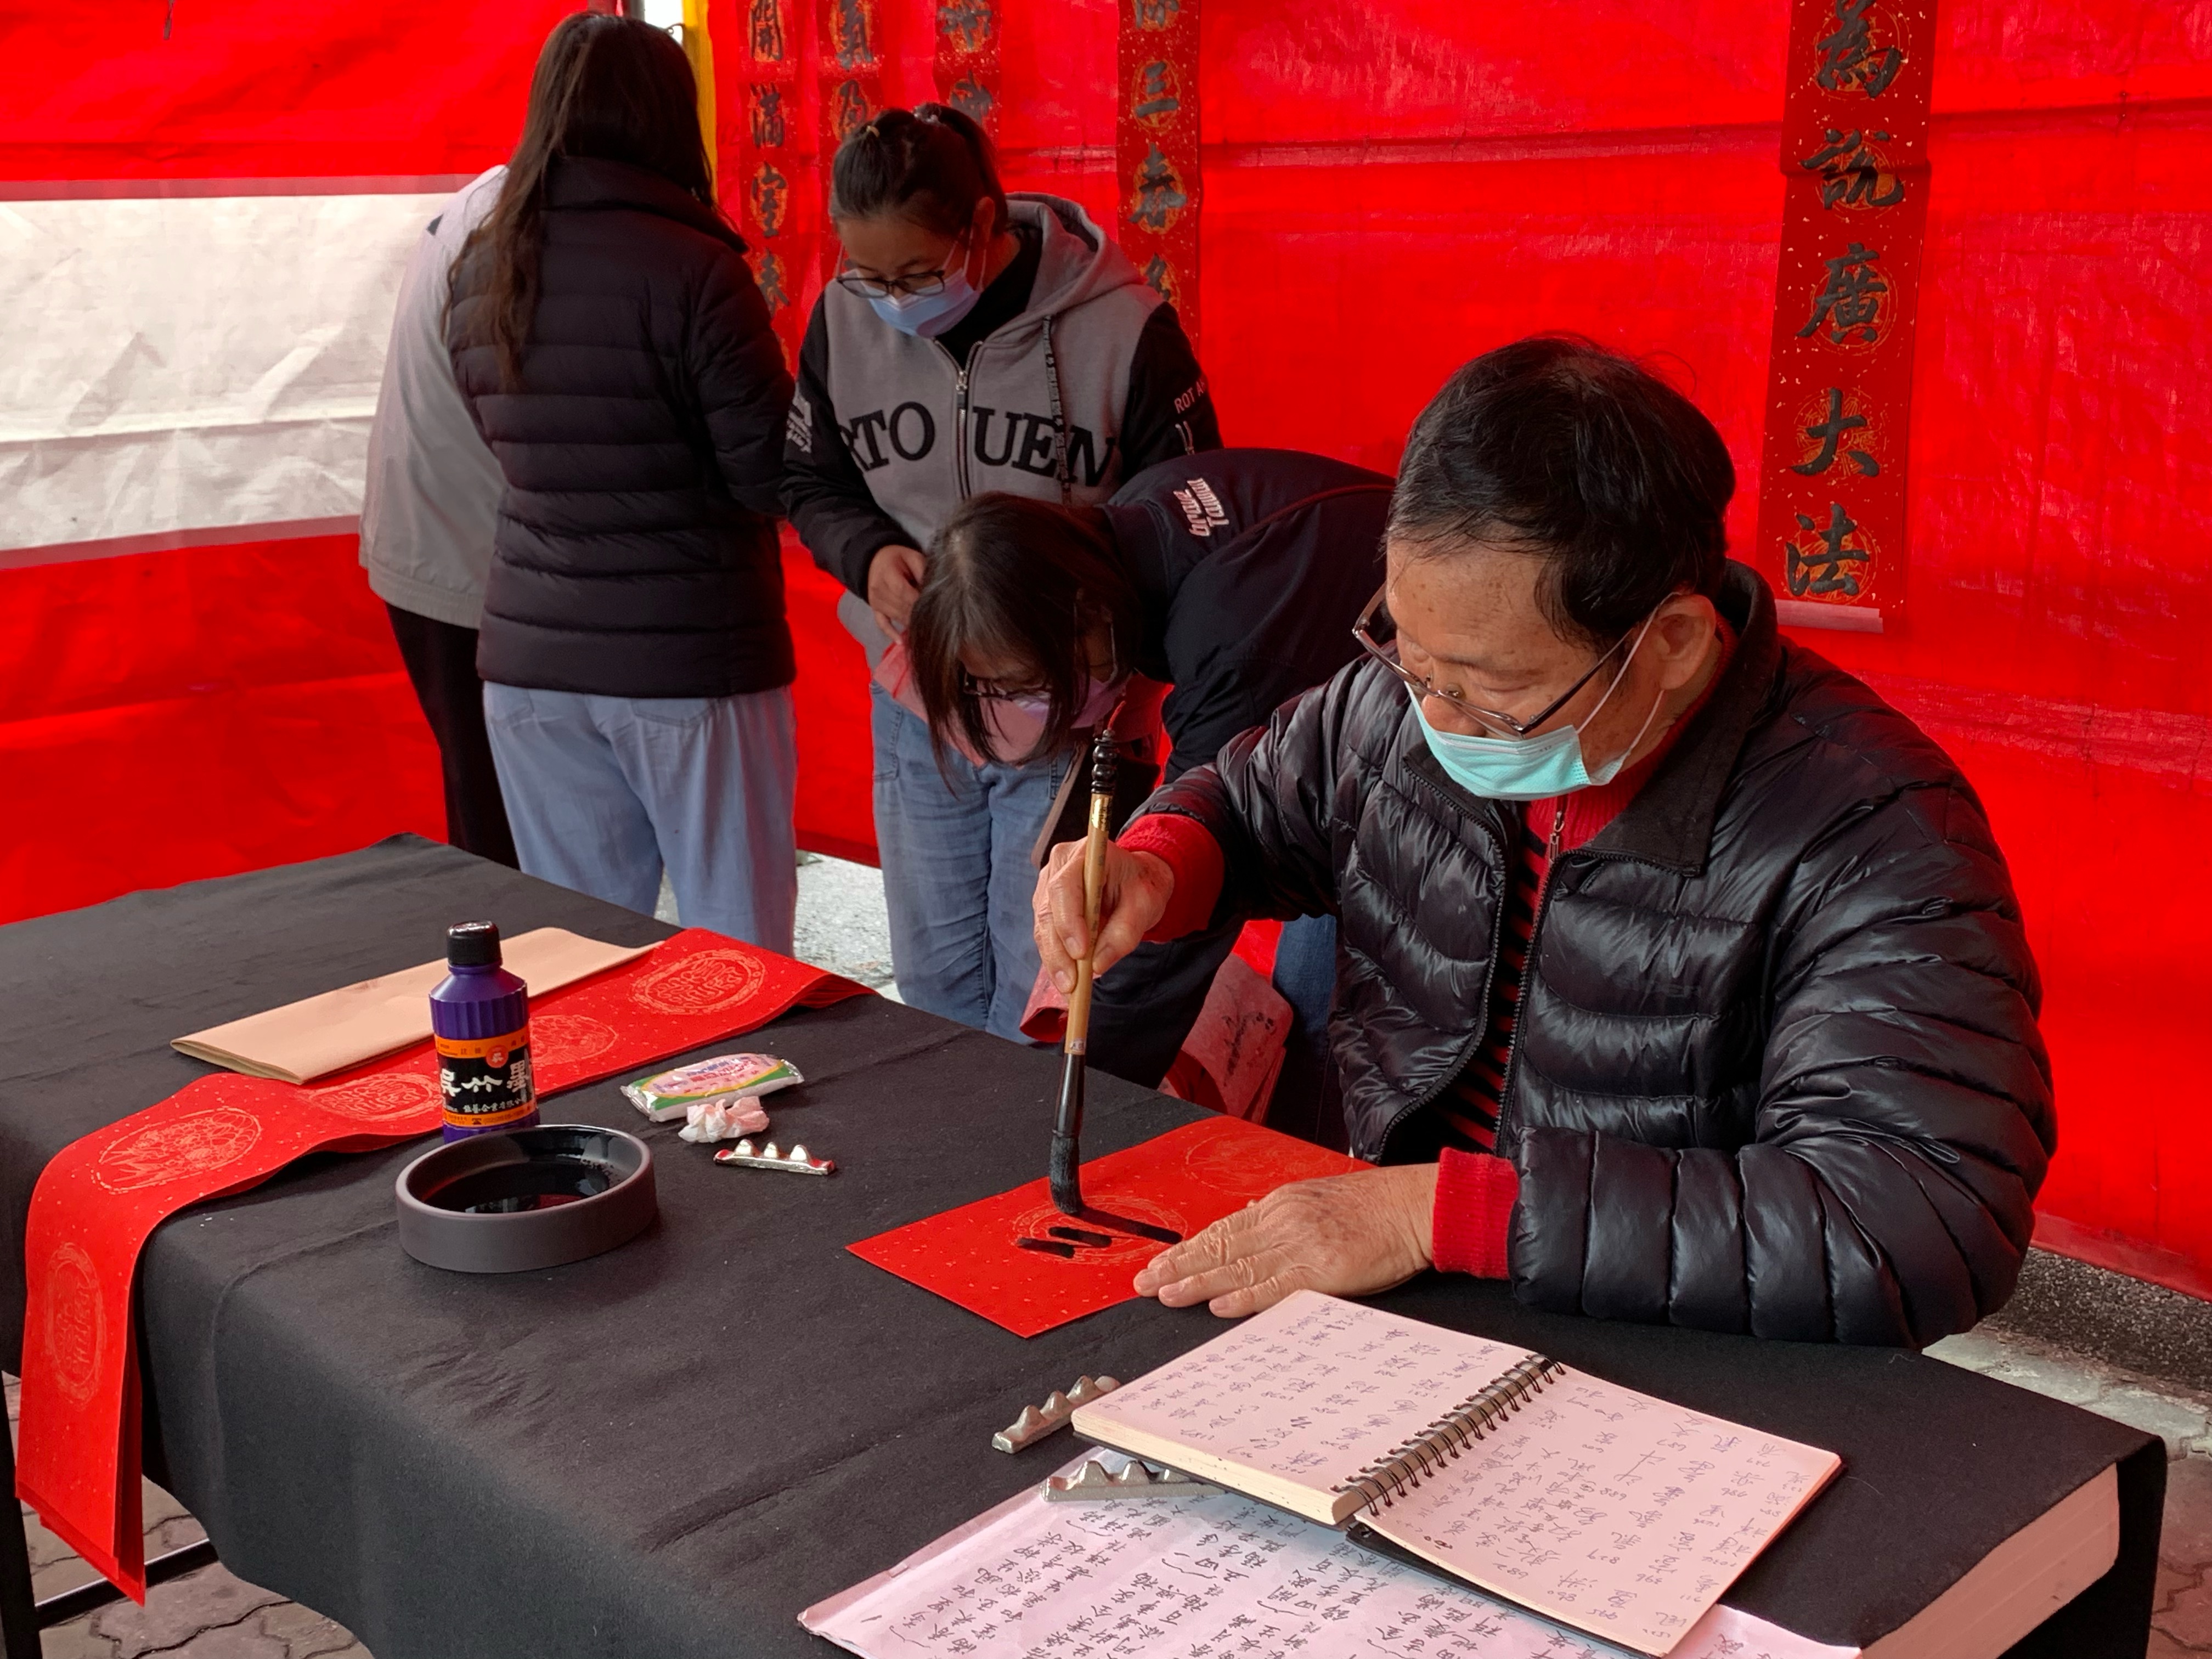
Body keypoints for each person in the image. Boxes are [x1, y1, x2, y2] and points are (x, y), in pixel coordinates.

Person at [1037, 336, 2056, 1347]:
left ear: (1671, 644)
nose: (1437, 712)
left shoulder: (1874, 829)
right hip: (1400, 1302)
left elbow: (1915, 1215)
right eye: (1408, 651)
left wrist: (1443, 1213)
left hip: (1668, 1345)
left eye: (1494, 691)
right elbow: (1258, 798)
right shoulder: (1404, 700)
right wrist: (1155, 861)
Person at [783, 104, 1221, 1040]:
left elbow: (1188, 514)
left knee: (1045, 973)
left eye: (915, 272)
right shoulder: (842, 320)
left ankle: (1024, 1172)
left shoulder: (1124, 327)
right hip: (918, 699)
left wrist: (1087, 636)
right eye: (869, 276)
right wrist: (865, 556)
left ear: (982, 225)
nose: (892, 298)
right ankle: (962, 1166)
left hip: (1065, 706)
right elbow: (807, 478)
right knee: (934, 965)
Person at [447, 14, 798, 951]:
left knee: (579, 958)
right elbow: (766, 469)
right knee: (739, 953)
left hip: (530, 662)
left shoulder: (483, 264)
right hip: (691, 656)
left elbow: (500, 439)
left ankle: (591, 1104)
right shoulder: (696, 267)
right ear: (668, 118)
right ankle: (731, 1107)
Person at [905, 449, 1391, 1106]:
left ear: (1086, 613)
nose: (1034, 706)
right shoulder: (1135, 520)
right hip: (1339, 733)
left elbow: (1189, 892)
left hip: (1411, 781)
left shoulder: (1234, 640)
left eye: (1032, 684)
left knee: (1326, 1040)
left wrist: (1072, 1097)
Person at [360, 165, 518, 867]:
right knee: (502, 824)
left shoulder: (490, 197)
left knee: (489, 809)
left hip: (439, 542)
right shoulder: (519, 222)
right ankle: (510, 967)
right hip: (466, 556)